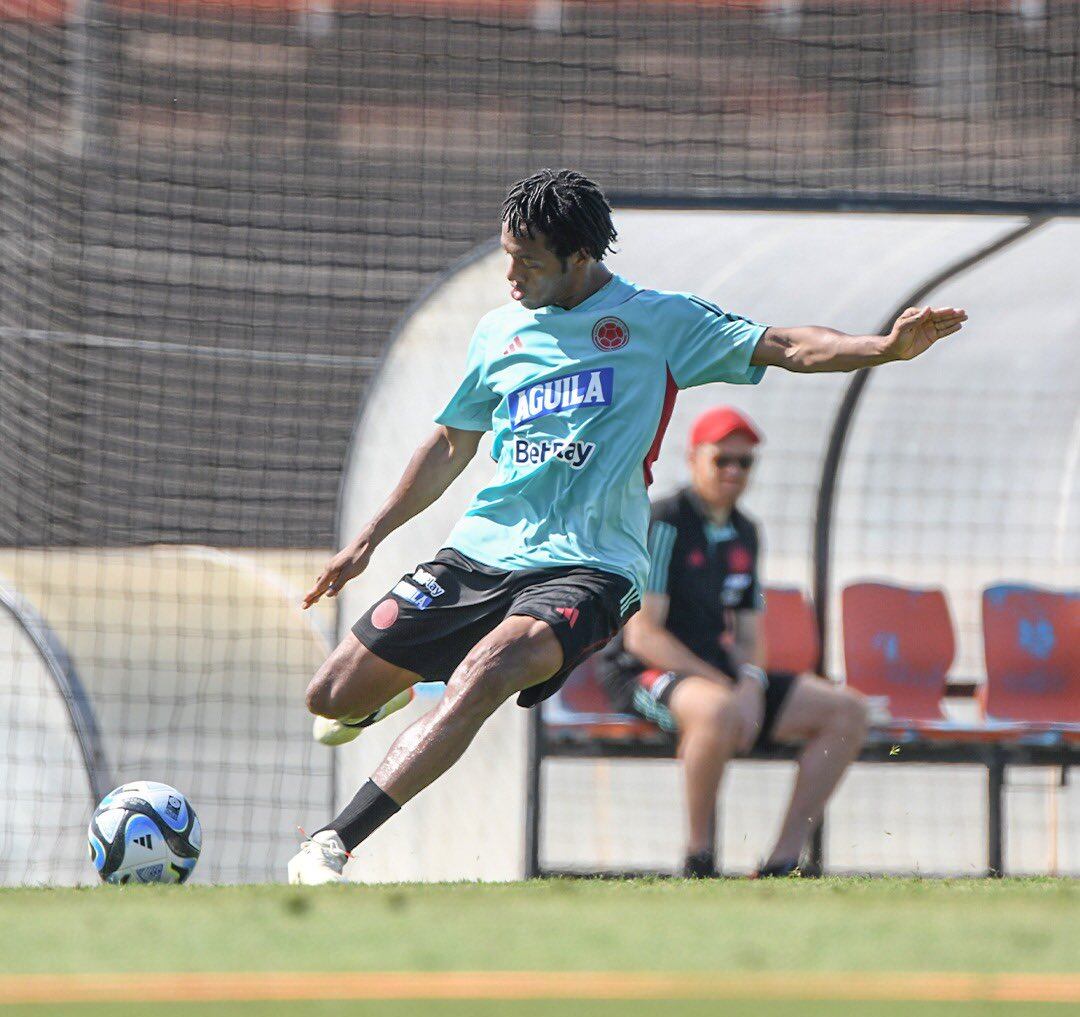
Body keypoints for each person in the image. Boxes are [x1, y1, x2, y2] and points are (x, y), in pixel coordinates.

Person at [288, 168, 966, 884]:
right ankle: (394, 687)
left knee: (488, 670)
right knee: (329, 696)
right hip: (481, 553)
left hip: (591, 565)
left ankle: (333, 843)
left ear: (580, 258)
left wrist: (881, 348)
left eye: (529, 262)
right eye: (507, 257)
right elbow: (454, 441)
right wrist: (368, 538)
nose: (512, 276)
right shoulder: (498, 331)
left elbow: (787, 345)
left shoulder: (656, 321)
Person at [598, 406, 869, 878]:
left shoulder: (746, 531)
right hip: (643, 672)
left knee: (847, 712)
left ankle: (784, 861)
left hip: (715, 674)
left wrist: (750, 684)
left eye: (744, 462)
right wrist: (727, 689)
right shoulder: (665, 521)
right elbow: (643, 636)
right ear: (693, 459)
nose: (733, 471)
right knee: (717, 711)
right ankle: (699, 858)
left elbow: (749, 632)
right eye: (721, 459)